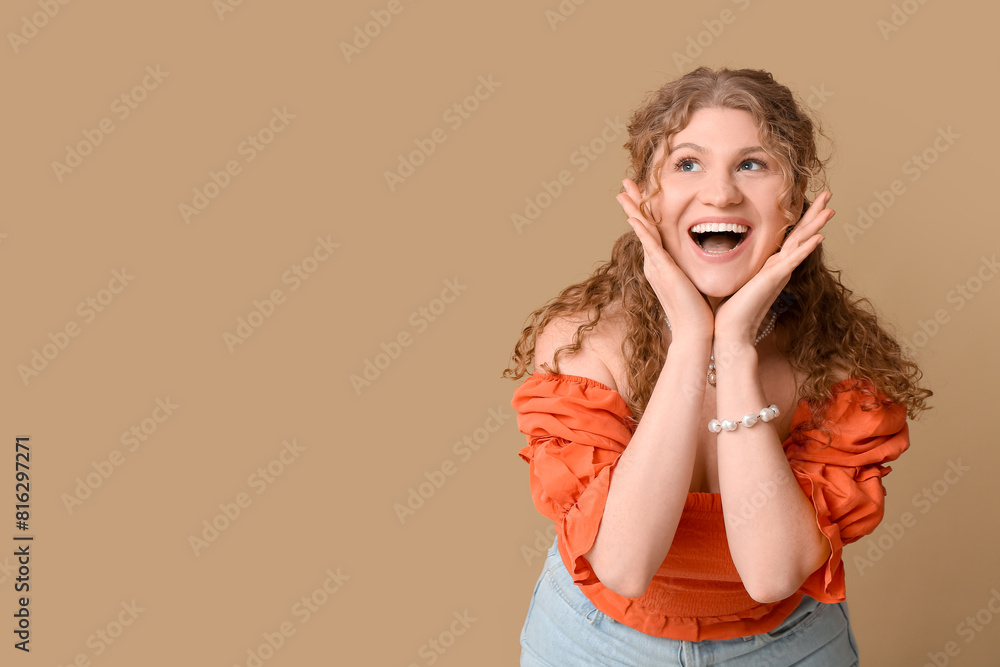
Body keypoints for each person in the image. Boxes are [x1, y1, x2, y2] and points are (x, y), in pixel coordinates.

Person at [502, 67, 932, 666]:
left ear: (795, 201)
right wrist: (690, 343)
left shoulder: (841, 372)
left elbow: (771, 574)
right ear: (646, 198)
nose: (722, 194)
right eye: (687, 164)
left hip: (787, 647)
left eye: (753, 164)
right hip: (593, 643)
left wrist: (732, 349)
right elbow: (624, 567)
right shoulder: (585, 345)